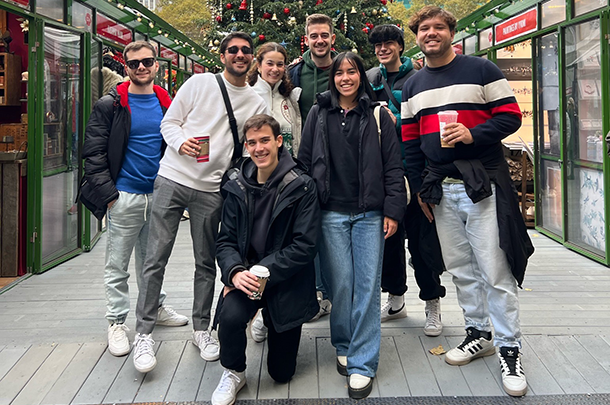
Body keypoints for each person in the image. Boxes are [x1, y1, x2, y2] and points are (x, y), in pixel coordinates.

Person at [402, 6, 534, 397]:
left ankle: (510, 349)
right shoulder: (412, 85)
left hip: (483, 184)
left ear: (450, 33)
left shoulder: (482, 70)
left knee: (495, 268)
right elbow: (410, 143)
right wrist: (420, 189)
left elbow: (510, 117)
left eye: (438, 27)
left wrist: (473, 133)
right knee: (460, 267)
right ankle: (479, 333)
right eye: (424, 28)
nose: (431, 33)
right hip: (440, 188)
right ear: (417, 36)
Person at [133, 32, 268, 373]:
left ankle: (201, 328)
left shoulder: (255, 102)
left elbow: (257, 145)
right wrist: (181, 145)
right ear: (223, 55)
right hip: (172, 179)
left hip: (211, 190)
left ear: (251, 57)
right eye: (232, 49)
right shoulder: (199, 83)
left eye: (245, 51)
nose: (239, 55)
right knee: (155, 258)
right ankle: (144, 333)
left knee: (206, 262)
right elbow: (170, 123)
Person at [298, 52, 406, 399]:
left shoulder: (377, 115)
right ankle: (343, 341)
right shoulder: (318, 113)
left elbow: (393, 167)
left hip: (369, 214)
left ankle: (362, 362)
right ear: (333, 77)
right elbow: (302, 161)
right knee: (341, 284)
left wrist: (392, 210)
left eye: (352, 71)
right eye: (340, 72)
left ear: (361, 75)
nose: (346, 77)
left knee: (367, 287)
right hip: (330, 213)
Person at [80, 40, 188, 358]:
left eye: (147, 62)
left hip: (158, 196)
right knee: (117, 264)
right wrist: (111, 196)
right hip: (124, 197)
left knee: (151, 262)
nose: (141, 67)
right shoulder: (110, 104)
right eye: (134, 63)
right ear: (125, 67)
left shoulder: (167, 102)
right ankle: (116, 322)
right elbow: (93, 153)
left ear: (156, 65)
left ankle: (156, 307)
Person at [211, 114, 320, 405]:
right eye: (252, 143)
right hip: (246, 276)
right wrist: (234, 273)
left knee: (281, 373)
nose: (259, 148)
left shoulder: (302, 186)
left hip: (285, 278)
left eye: (265, 141)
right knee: (230, 317)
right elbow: (225, 241)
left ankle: (268, 318)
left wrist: (264, 271)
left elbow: (305, 245)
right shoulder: (236, 184)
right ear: (246, 146)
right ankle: (234, 371)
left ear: (279, 142)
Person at [366, 25, 446, 335]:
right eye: (378, 46)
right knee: (389, 240)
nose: (383, 49)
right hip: (385, 174)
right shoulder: (372, 79)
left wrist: (397, 119)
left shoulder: (419, 77)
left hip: (416, 171)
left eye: (388, 44)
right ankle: (396, 298)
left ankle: (432, 301)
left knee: (423, 241)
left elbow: (429, 121)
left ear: (401, 46)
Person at [288, 13, 337, 321]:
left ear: (333, 38)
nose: (319, 40)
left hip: (341, 161)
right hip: (303, 161)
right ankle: (317, 291)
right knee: (307, 226)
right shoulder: (294, 73)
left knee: (334, 225)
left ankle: (333, 291)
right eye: (314, 35)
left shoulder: (345, 68)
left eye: (324, 35)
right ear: (306, 38)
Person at [247, 42, 302, 157]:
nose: (275, 69)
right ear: (259, 65)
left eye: (280, 64)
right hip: (256, 167)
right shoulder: (248, 96)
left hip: (287, 166)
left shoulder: (290, 97)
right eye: (270, 64)